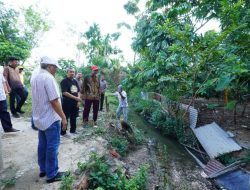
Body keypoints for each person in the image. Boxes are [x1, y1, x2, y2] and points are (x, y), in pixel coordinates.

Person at [31, 56, 68, 183]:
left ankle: (44, 169)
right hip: (50, 118)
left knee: (42, 145)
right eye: (55, 67)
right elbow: (54, 100)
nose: (56, 70)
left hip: (40, 118)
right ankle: (52, 174)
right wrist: (63, 117)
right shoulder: (48, 78)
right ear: (49, 66)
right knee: (52, 146)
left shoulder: (35, 76)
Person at [60, 68, 81, 136]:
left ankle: (73, 130)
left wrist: (78, 101)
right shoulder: (64, 81)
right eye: (70, 72)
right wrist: (76, 98)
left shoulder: (75, 81)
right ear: (67, 73)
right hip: (67, 102)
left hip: (75, 102)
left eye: (73, 72)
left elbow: (78, 91)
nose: (72, 73)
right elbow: (65, 93)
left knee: (73, 116)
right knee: (65, 117)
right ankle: (63, 132)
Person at [0, 68, 19, 133]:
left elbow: (4, 82)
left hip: (2, 97)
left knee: (4, 112)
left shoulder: (0, 74)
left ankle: (8, 128)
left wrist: (6, 91)